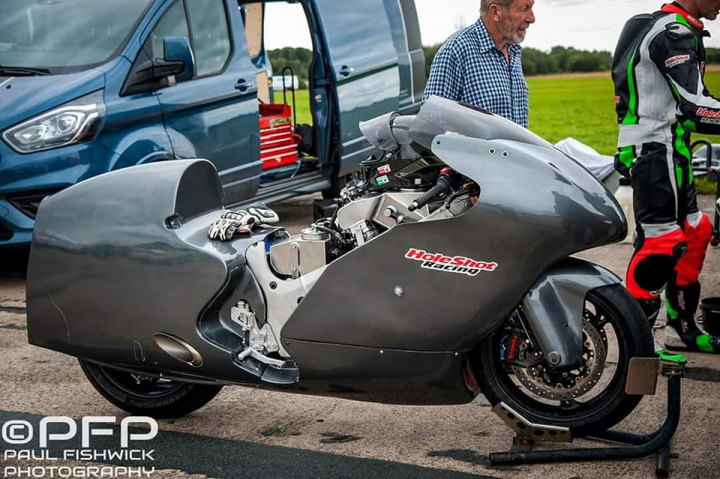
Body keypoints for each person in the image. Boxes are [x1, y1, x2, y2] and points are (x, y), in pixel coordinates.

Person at [612, 0, 720, 360]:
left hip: (672, 146)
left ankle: (681, 328)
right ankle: (638, 345)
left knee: (696, 231)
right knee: (661, 244)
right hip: (654, 149)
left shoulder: (666, 24)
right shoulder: (672, 32)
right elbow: (695, 106)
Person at [422, 0, 535, 128]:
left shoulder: (513, 50)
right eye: (524, 8)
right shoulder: (456, 50)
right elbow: (429, 123)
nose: (532, 18)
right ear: (495, 12)